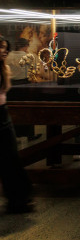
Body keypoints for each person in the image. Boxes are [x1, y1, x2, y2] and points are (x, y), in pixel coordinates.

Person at [0, 36, 34, 213]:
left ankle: (18, 198)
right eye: (2, 48)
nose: (5, 51)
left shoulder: (4, 68)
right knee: (8, 157)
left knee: (11, 157)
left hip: (3, 114)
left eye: (6, 48)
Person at [5, 38, 39, 141]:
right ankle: (29, 134)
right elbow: (34, 71)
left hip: (11, 85)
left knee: (13, 110)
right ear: (25, 46)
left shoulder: (8, 56)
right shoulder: (28, 56)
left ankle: (14, 134)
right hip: (24, 85)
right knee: (28, 109)